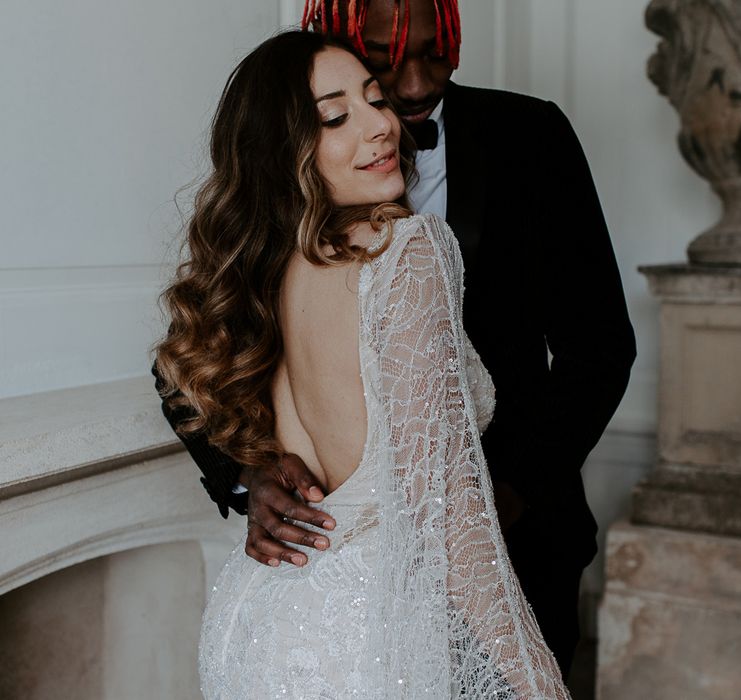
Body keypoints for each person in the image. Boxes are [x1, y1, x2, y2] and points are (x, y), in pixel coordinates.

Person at [152, 0, 636, 682]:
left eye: (434, 53)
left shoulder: (531, 135)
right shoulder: (308, 241)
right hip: (359, 598)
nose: (405, 95)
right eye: (383, 62)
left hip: (481, 550)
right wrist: (249, 475)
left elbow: (600, 347)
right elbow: (188, 357)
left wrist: (505, 491)